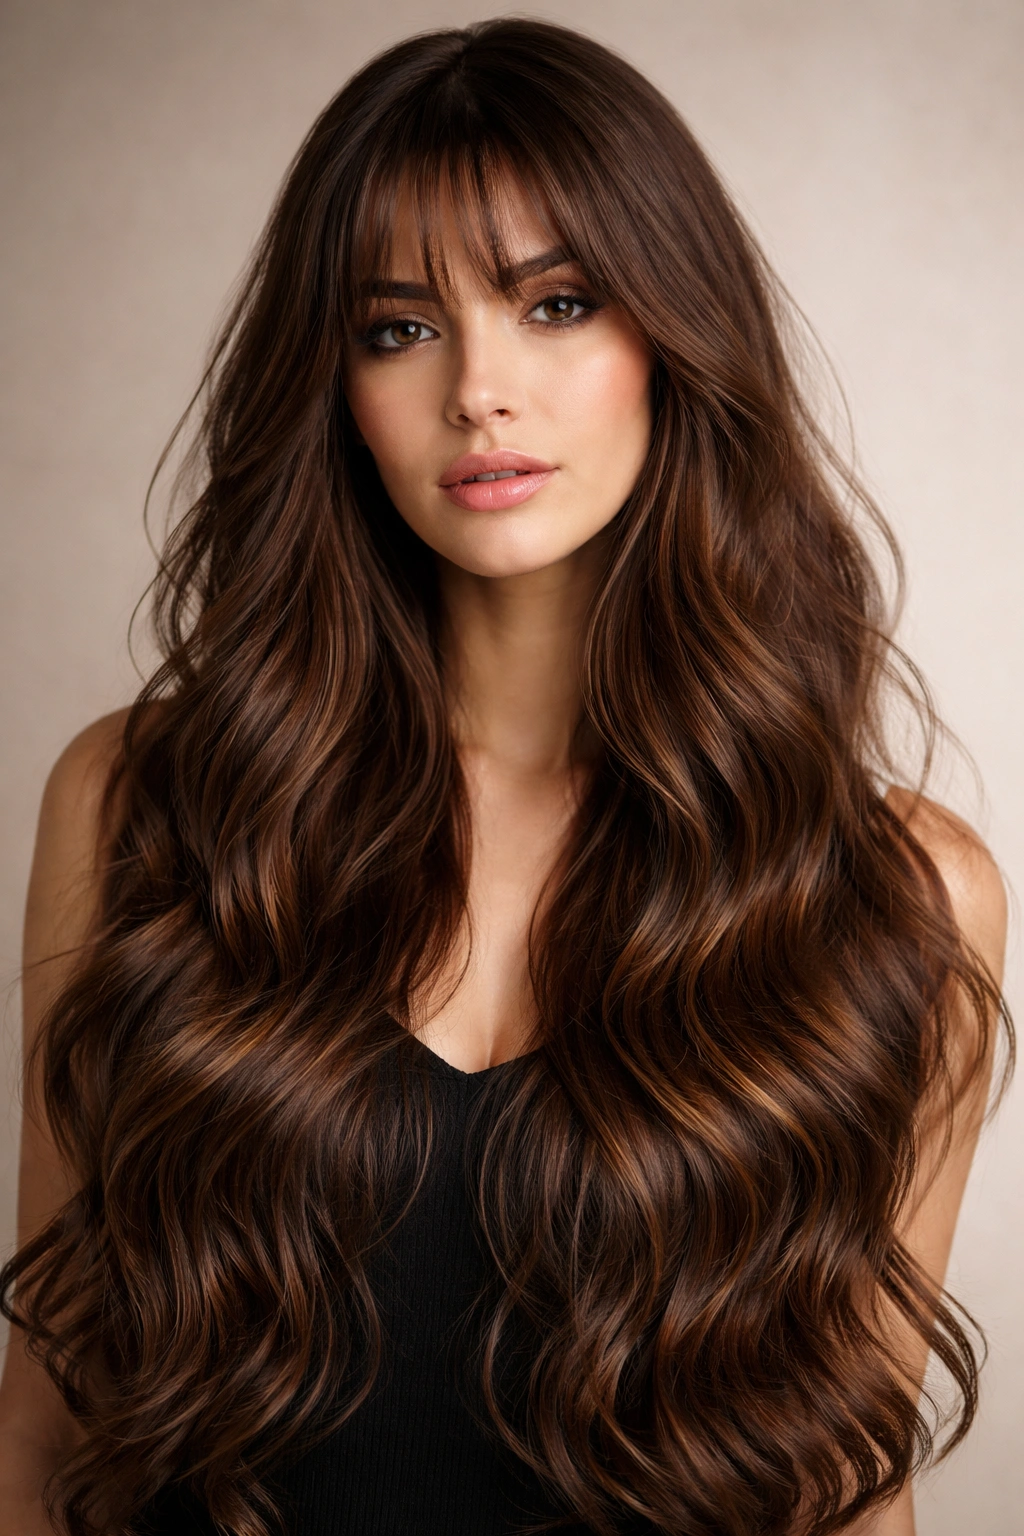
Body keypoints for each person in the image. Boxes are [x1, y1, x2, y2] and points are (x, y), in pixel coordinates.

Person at [0, 18, 1009, 1536]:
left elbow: (848, 1495)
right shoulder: (147, 808)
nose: (481, 388)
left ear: (675, 336)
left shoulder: (896, 898)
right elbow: (47, 1425)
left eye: (556, 303)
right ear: (331, 380)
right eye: (400, 327)